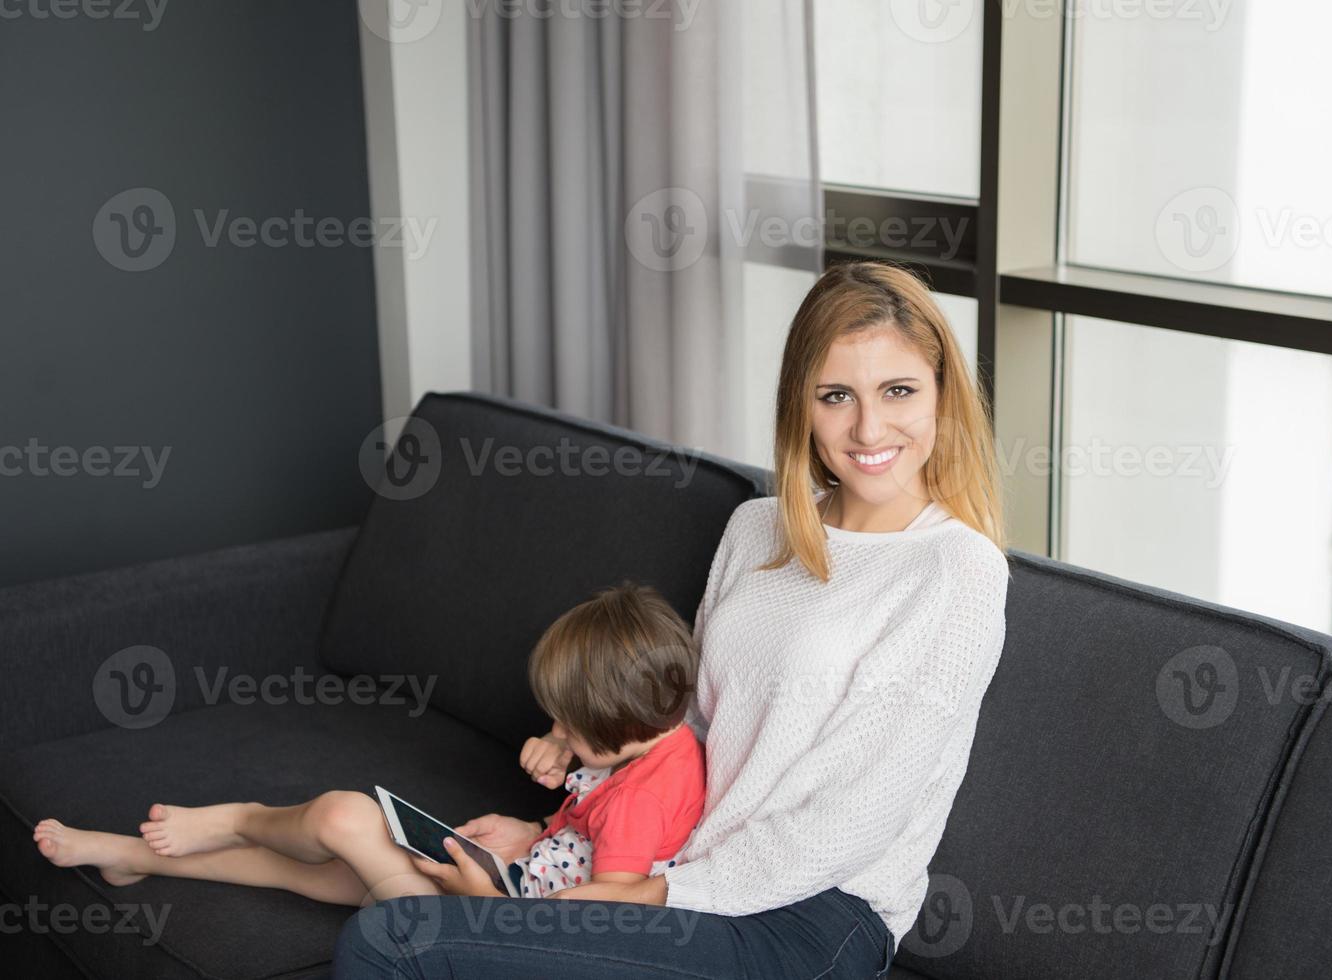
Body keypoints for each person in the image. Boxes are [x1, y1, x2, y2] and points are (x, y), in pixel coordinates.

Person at [333, 260, 1013, 979]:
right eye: (836, 395)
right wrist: (554, 836)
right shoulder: (756, 528)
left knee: (391, 940)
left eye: (898, 390)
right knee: (405, 903)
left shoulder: (954, 569)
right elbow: (679, 725)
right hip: (681, 861)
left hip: (814, 917)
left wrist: (647, 894)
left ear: (943, 395)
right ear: (801, 407)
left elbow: (853, 819)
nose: (869, 426)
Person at [33, 583, 706, 908]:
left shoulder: (645, 795)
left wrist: (488, 900)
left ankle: (239, 815)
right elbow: (585, 833)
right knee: (310, 869)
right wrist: (532, 827)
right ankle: (131, 858)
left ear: (621, 723)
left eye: (569, 727)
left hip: (492, 923)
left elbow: (617, 897)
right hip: (509, 879)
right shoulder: (647, 743)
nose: (557, 735)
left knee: (339, 816)